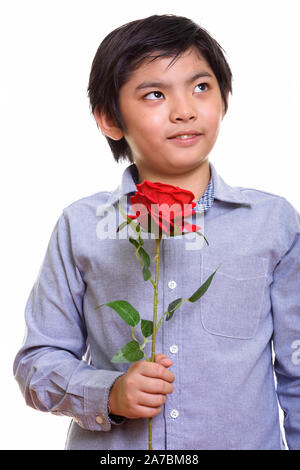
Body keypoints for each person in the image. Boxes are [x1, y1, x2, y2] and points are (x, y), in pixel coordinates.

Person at [13, 14, 300, 450]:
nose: (184, 110)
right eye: (154, 94)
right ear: (110, 119)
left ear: (223, 98)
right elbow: (37, 361)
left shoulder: (270, 221)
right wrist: (109, 393)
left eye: (200, 87)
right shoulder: (81, 226)